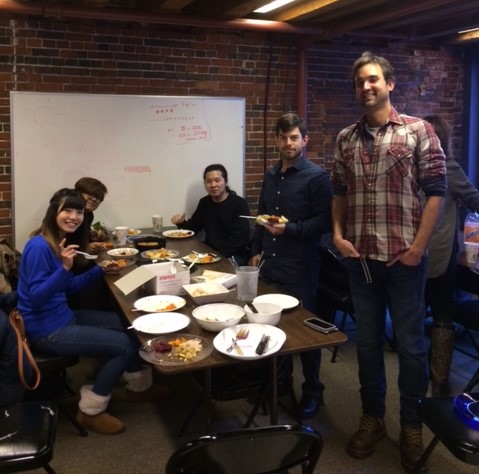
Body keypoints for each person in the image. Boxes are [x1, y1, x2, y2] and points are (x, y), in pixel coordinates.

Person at [331, 51, 447, 473]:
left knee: (413, 349)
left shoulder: (419, 131)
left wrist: (418, 247)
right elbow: (339, 192)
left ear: (390, 84)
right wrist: (339, 236)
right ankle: (373, 417)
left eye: (373, 79)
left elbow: (437, 190)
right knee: (365, 345)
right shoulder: (345, 138)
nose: (366, 86)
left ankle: (412, 425)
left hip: (404, 261)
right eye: (360, 81)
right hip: (360, 261)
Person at [17, 188, 167, 435]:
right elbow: (35, 298)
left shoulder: (57, 242)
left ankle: (139, 388)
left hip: (63, 315)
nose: (74, 216)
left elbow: (65, 289)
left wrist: (99, 270)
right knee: (125, 345)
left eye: (78, 211)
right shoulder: (38, 246)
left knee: (129, 325)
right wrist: (64, 268)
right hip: (47, 330)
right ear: (53, 211)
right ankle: (91, 410)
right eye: (67, 210)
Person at [250, 113, 332, 419]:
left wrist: (291, 230)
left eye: (294, 137)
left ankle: (313, 390)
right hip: (270, 265)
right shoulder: (271, 175)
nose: (288, 143)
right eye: (283, 137)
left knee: (305, 333)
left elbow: (324, 222)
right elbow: (262, 214)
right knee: (271, 327)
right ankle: (281, 381)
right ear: (276, 140)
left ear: (304, 140)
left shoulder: (317, 177)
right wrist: (256, 249)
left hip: (300, 268)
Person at [423, 114, 479, 397]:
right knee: (422, 310)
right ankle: (427, 373)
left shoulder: (449, 168)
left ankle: (439, 377)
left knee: (442, 312)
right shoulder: (411, 166)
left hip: (441, 254)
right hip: (412, 251)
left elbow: (475, 200)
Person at [171, 164, 251, 265]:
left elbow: (239, 240)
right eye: (209, 181)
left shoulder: (239, 204)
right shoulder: (205, 202)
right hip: (210, 252)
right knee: (180, 263)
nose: (213, 185)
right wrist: (181, 223)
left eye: (217, 180)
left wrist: (215, 257)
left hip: (234, 255)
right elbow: (193, 228)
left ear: (225, 182)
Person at [74, 177, 108, 254]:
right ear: (78, 193)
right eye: (91, 195)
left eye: (98, 198)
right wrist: (84, 248)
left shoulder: (89, 214)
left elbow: (79, 238)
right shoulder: (69, 216)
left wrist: (92, 238)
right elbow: (61, 244)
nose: (94, 200)